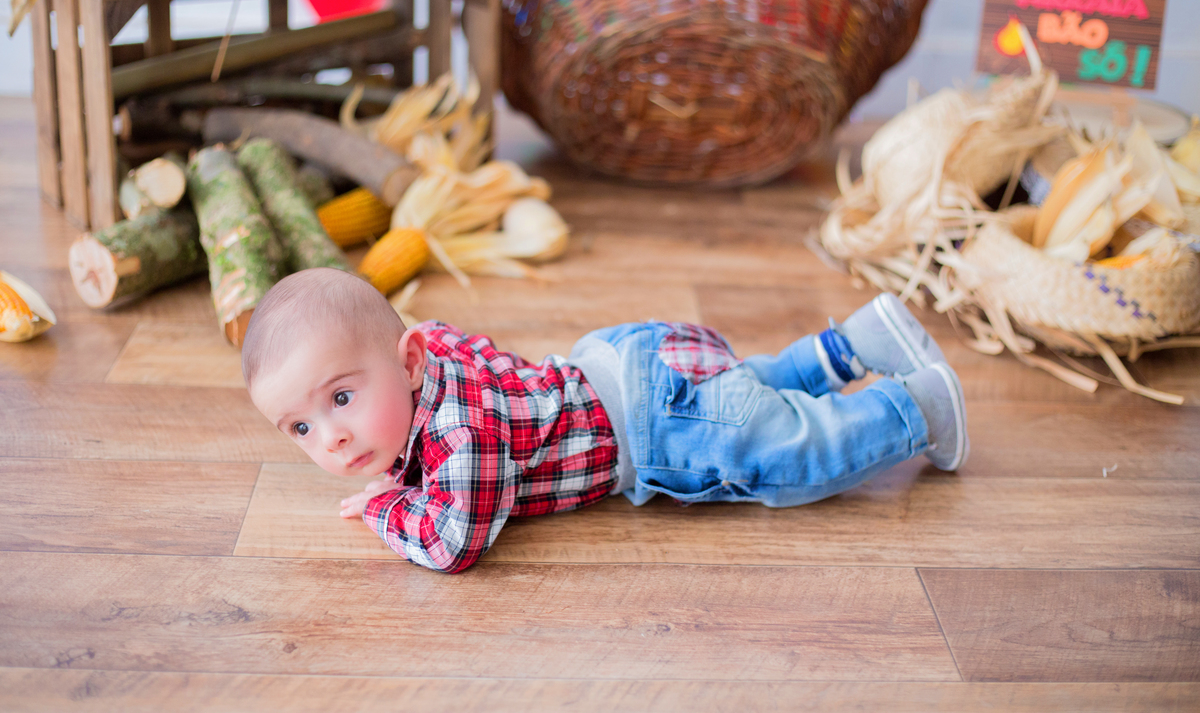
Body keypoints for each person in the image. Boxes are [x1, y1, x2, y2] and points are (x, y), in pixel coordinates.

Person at [243, 268, 968, 574]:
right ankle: (855, 346)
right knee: (753, 391)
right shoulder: (433, 349)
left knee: (785, 456)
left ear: (406, 362)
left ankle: (915, 408)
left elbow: (452, 541)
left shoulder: (461, 434)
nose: (332, 437)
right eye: (301, 429)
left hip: (655, 423)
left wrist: (389, 507)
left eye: (340, 399)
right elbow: (467, 345)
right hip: (621, 358)